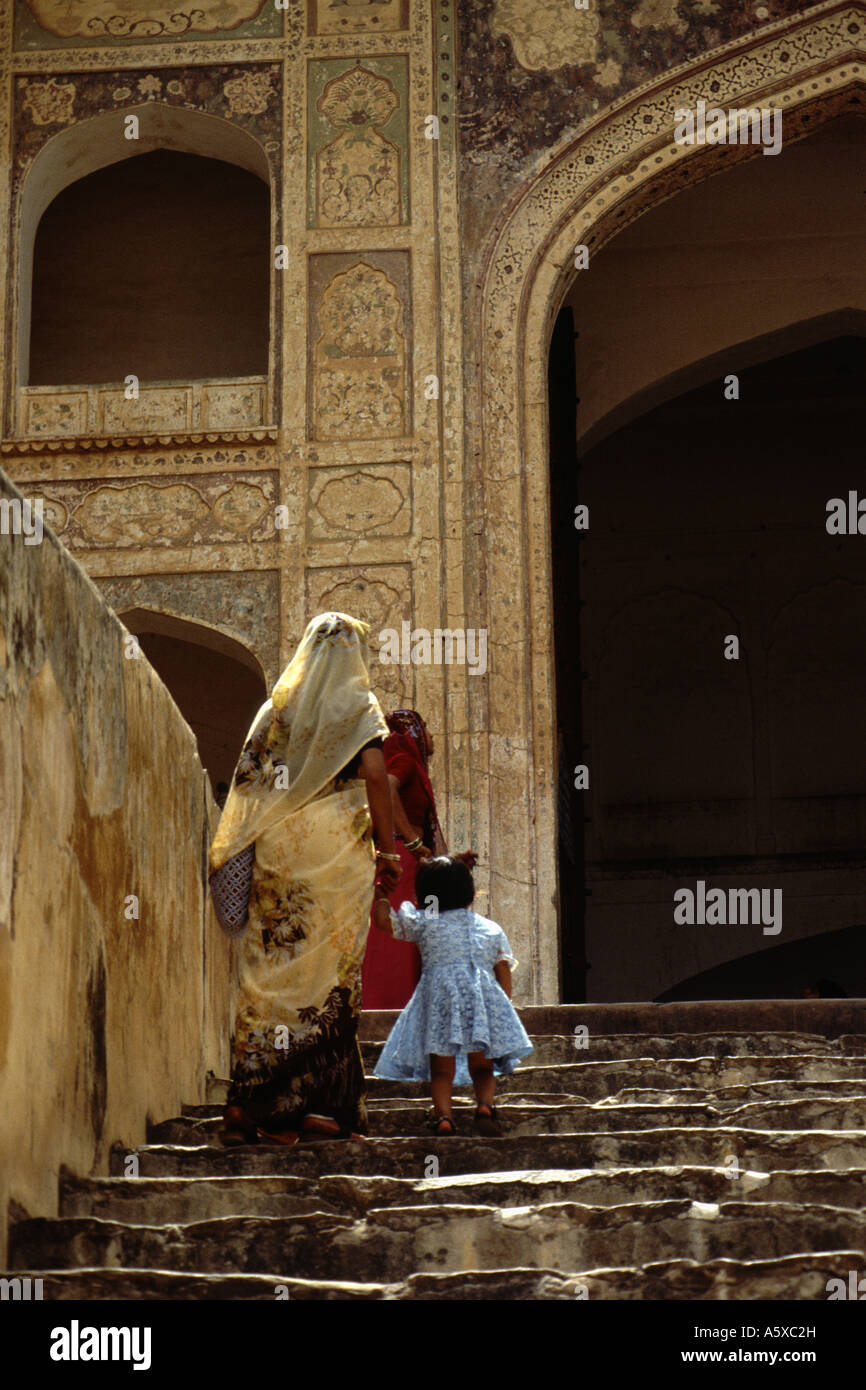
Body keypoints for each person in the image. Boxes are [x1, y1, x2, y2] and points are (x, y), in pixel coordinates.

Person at [208, 611, 401, 1146]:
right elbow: (378, 776)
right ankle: (318, 1109)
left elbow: (248, 786)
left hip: (280, 850)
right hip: (337, 850)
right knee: (329, 977)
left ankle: (248, 1105)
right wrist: (388, 852)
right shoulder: (355, 708)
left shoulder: (276, 711)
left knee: (270, 973)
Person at [371, 856, 533, 1136]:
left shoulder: (425, 921)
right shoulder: (489, 927)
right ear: (468, 893)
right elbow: (502, 967)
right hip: (479, 1003)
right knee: (483, 1066)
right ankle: (484, 1107)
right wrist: (502, 1007)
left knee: (441, 1069)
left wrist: (382, 896)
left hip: (440, 1002)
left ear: (425, 893)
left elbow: (385, 922)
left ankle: (444, 1117)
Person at [361, 709, 444, 1008]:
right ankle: (390, 1005)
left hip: (405, 856)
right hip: (402, 858)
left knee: (405, 933)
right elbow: (386, 787)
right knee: (398, 936)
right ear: (415, 732)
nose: (432, 736)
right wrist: (412, 840)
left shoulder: (411, 764)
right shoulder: (405, 760)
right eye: (426, 728)